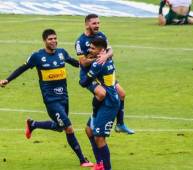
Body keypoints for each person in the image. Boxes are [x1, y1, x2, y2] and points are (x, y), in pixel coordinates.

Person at [0, 29, 94, 167]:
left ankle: (33, 124)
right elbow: (22, 68)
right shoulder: (37, 56)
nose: (54, 41)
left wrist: (93, 59)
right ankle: (83, 160)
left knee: (59, 127)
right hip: (51, 100)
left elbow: (76, 63)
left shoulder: (62, 53)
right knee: (68, 127)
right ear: (44, 41)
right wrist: (7, 80)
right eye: (50, 39)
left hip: (64, 98)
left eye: (55, 38)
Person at [75, 13, 134, 134]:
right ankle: (95, 116)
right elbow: (83, 62)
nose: (97, 26)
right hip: (90, 75)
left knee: (122, 94)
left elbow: (110, 50)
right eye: (94, 23)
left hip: (103, 73)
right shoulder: (80, 41)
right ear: (87, 24)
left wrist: (105, 56)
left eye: (98, 23)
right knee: (101, 94)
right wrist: (98, 59)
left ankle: (120, 124)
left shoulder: (101, 35)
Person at [79, 37, 120, 170]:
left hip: (109, 104)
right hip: (106, 100)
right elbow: (109, 52)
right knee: (89, 130)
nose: (89, 50)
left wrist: (82, 77)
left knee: (99, 138)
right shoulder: (108, 59)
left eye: (92, 48)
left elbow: (84, 82)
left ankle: (105, 167)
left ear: (101, 50)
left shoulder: (98, 64)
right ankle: (100, 164)